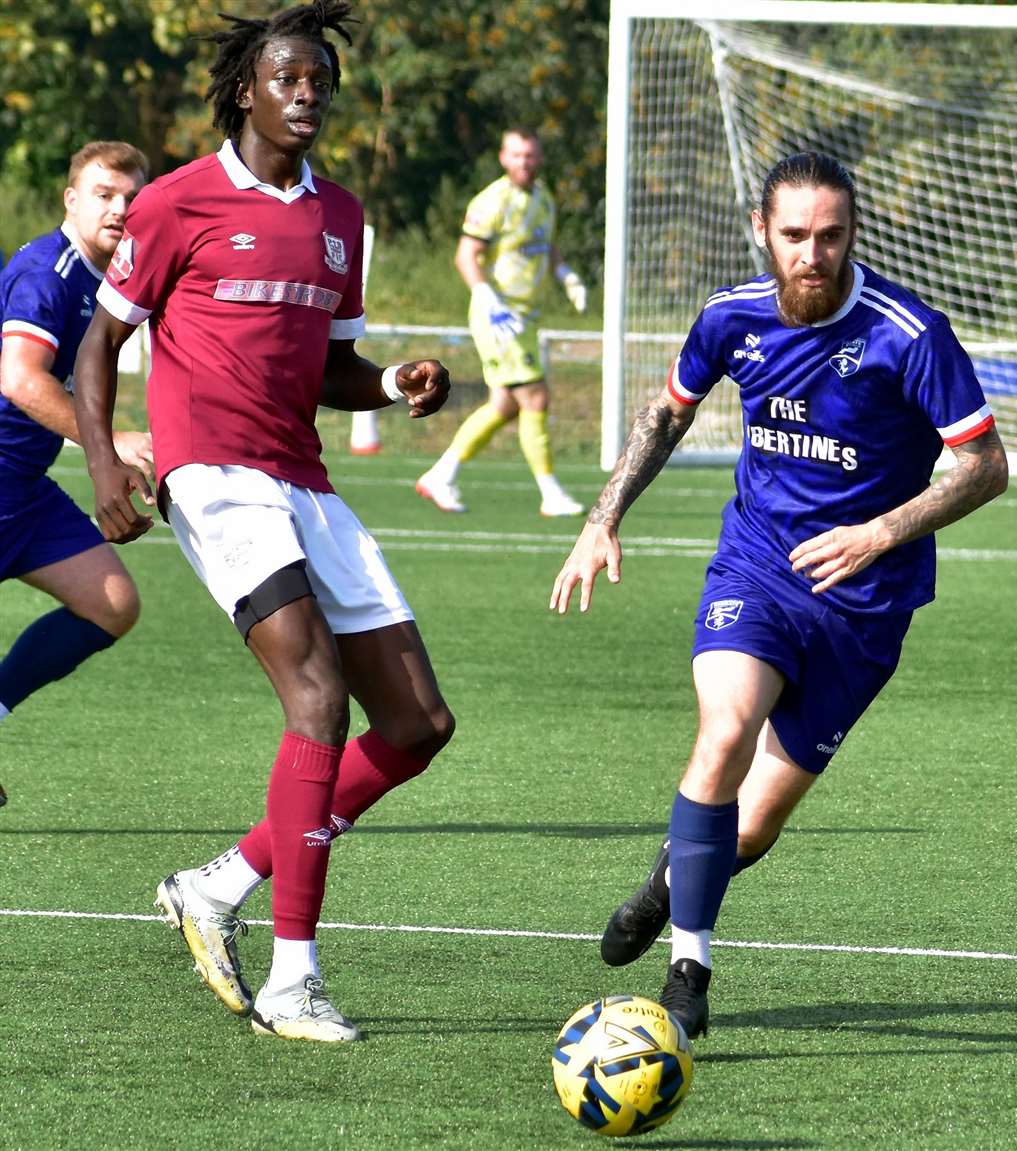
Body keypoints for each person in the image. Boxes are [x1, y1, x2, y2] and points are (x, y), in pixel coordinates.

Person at [550, 152, 1009, 1040]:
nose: (813, 253)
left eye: (830, 236)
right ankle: (691, 967)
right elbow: (669, 412)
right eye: (794, 235)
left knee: (750, 828)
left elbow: (984, 466)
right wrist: (603, 516)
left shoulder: (909, 334)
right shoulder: (730, 318)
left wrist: (879, 533)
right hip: (757, 568)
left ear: (853, 234)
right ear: (762, 231)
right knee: (724, 729)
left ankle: (665, 882)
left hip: (866, 608)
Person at [74, 0, 454, 1044]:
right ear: (246, 87)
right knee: (318, 698)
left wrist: (396, 381)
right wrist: (108, 457)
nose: (306, 96)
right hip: (213, 474)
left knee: (419, 724)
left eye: (320, 83)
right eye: (288, 79)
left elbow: (332, 366)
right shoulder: (177, 201)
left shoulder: (341, 215)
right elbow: (102, 344)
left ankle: (219, 882)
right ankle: (293, 980)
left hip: (303, 478)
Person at [0, 141, 151, 809]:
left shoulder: (107, 277)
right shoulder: (48, 272)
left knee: (112, 601)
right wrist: (110, 442)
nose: (119, 208)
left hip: (23, 491)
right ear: (71, 198)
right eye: (104, 193)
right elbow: (20, 378)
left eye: (131, 198)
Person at [416, 127, 588, 516]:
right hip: (498, 317)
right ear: (502, 158)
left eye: (529, 155)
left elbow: (547, 245)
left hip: (524, 315)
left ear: (539, 158)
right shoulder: (492, 201)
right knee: (535, 396)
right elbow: (466, 255)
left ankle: (441, 475)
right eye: (516, 155)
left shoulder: (543, 197)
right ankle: (550, 493)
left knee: (506, 405)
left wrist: (567, 276)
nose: (523, 162)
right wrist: (486, 295)